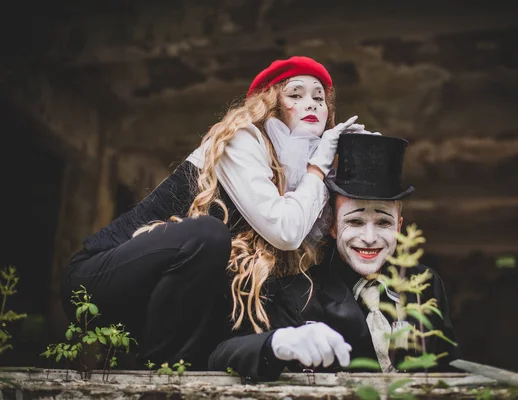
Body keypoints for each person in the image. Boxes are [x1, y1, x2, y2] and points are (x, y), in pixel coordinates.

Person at [59, 56, 367, 369]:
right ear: (271, 104)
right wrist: (318, 170)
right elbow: (286, 231)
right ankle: (162, 376)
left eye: (319, 98)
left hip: (154, 305)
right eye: (296, 94)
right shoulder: (243, 139)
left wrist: (365, 161)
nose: (312, 103)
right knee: (208, 234)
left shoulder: (300, 178)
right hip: (96, 280)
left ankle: (167, 372)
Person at [208, 133, 460, 381]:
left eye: (383, 222)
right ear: (333, 226)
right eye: (355, 221)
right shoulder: (300, 295)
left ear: (399, 226)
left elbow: (447, 368)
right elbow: (222, 354)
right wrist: (277, 344)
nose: (369, 237)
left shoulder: (425, 284)